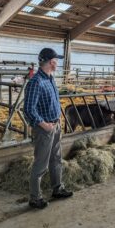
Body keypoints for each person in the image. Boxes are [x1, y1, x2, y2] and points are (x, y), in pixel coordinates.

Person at [24, 48, 72, 209]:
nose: (57, 63)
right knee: (41, 163)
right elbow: (29, 109)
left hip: (55, 125)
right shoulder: (36, 81)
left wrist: (56, 122)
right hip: (44, 128)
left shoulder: (50, 79)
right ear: (51, 62)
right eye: (56, 61)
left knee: (56, 159)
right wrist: (44, 125)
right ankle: (35, 198)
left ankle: (57, 189)